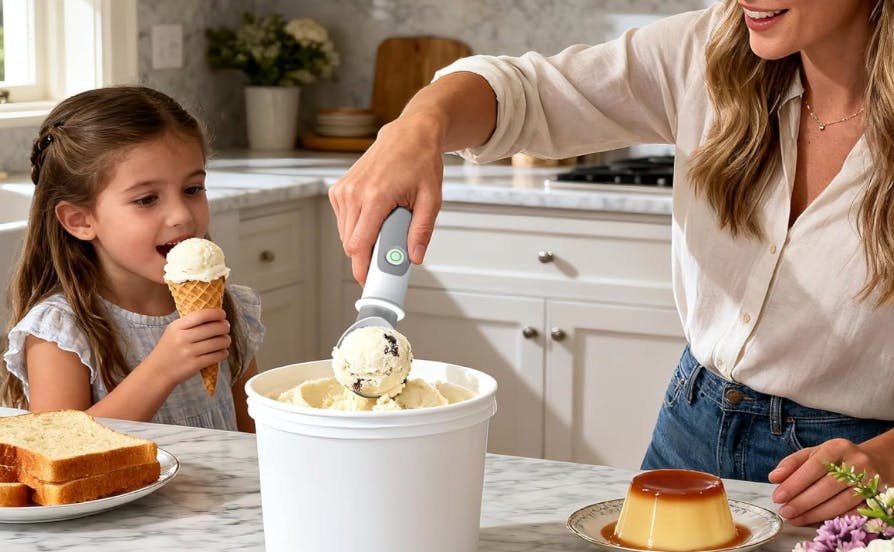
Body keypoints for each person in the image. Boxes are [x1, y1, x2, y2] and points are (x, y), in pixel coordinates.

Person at [328, 0, 894, 526]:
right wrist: (416, 128)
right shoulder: (706, 50)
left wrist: (886, 460)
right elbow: (527, 91)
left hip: (846, 477)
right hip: (689, 429)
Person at [0, 86, 265, 432]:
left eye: (192, 189)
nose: (181, 215)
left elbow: (252, 435)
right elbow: (60, 445)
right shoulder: (61, 331)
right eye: (146, 199)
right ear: (80, 220)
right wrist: (161, 370)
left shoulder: (227, 307)